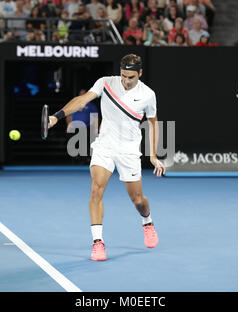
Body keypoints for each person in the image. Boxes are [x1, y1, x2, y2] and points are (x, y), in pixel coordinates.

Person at [47, 54, 165, 261]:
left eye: (130, 77)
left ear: (140, 73)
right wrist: (57, 116)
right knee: (96, 189)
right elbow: (81, 100)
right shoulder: (105, 83)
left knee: (137, 200)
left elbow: (153, 123)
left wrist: (153, 155)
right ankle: (98, 243)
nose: (126, 81)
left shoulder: (148, 95)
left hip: (129, 150)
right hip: (105, 146)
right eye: (123, 76)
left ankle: (147, 222)